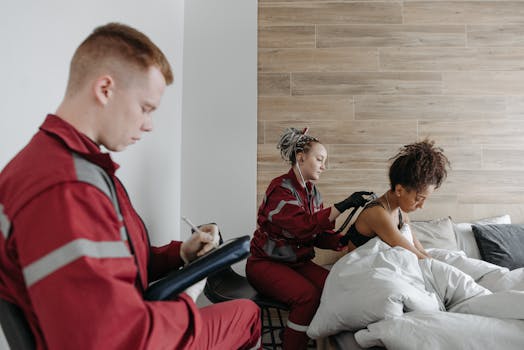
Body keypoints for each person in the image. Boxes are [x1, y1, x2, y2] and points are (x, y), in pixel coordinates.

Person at [0, 23, 261, 349]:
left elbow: (110, 261)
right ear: (105, 89)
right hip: (132, 333)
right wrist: (185, 300)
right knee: (246, 315)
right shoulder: (65, 188)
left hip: (129, 318)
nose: (149, 124)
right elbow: (117, 338)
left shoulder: (72, 167)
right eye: (145, 108)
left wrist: (179, 254)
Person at [246, 127, 372, 349]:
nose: (324, 166)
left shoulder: (314, 193)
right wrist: (343, 205)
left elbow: (317, 234)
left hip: (296, 263)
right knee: (307, 296)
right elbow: (303, 226)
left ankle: (323, 342)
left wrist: (343, 239)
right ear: (301, 157)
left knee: (333, 285)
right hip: (265, 264)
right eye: (320, 159)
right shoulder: (280, 189)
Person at [340, 139, 451, 259]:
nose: (421, 206)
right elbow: (414, 254)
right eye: (418, 199)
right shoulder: (377, 213)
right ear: (399, 190)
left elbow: (419, 250)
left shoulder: (401, 211)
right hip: (359, 269)